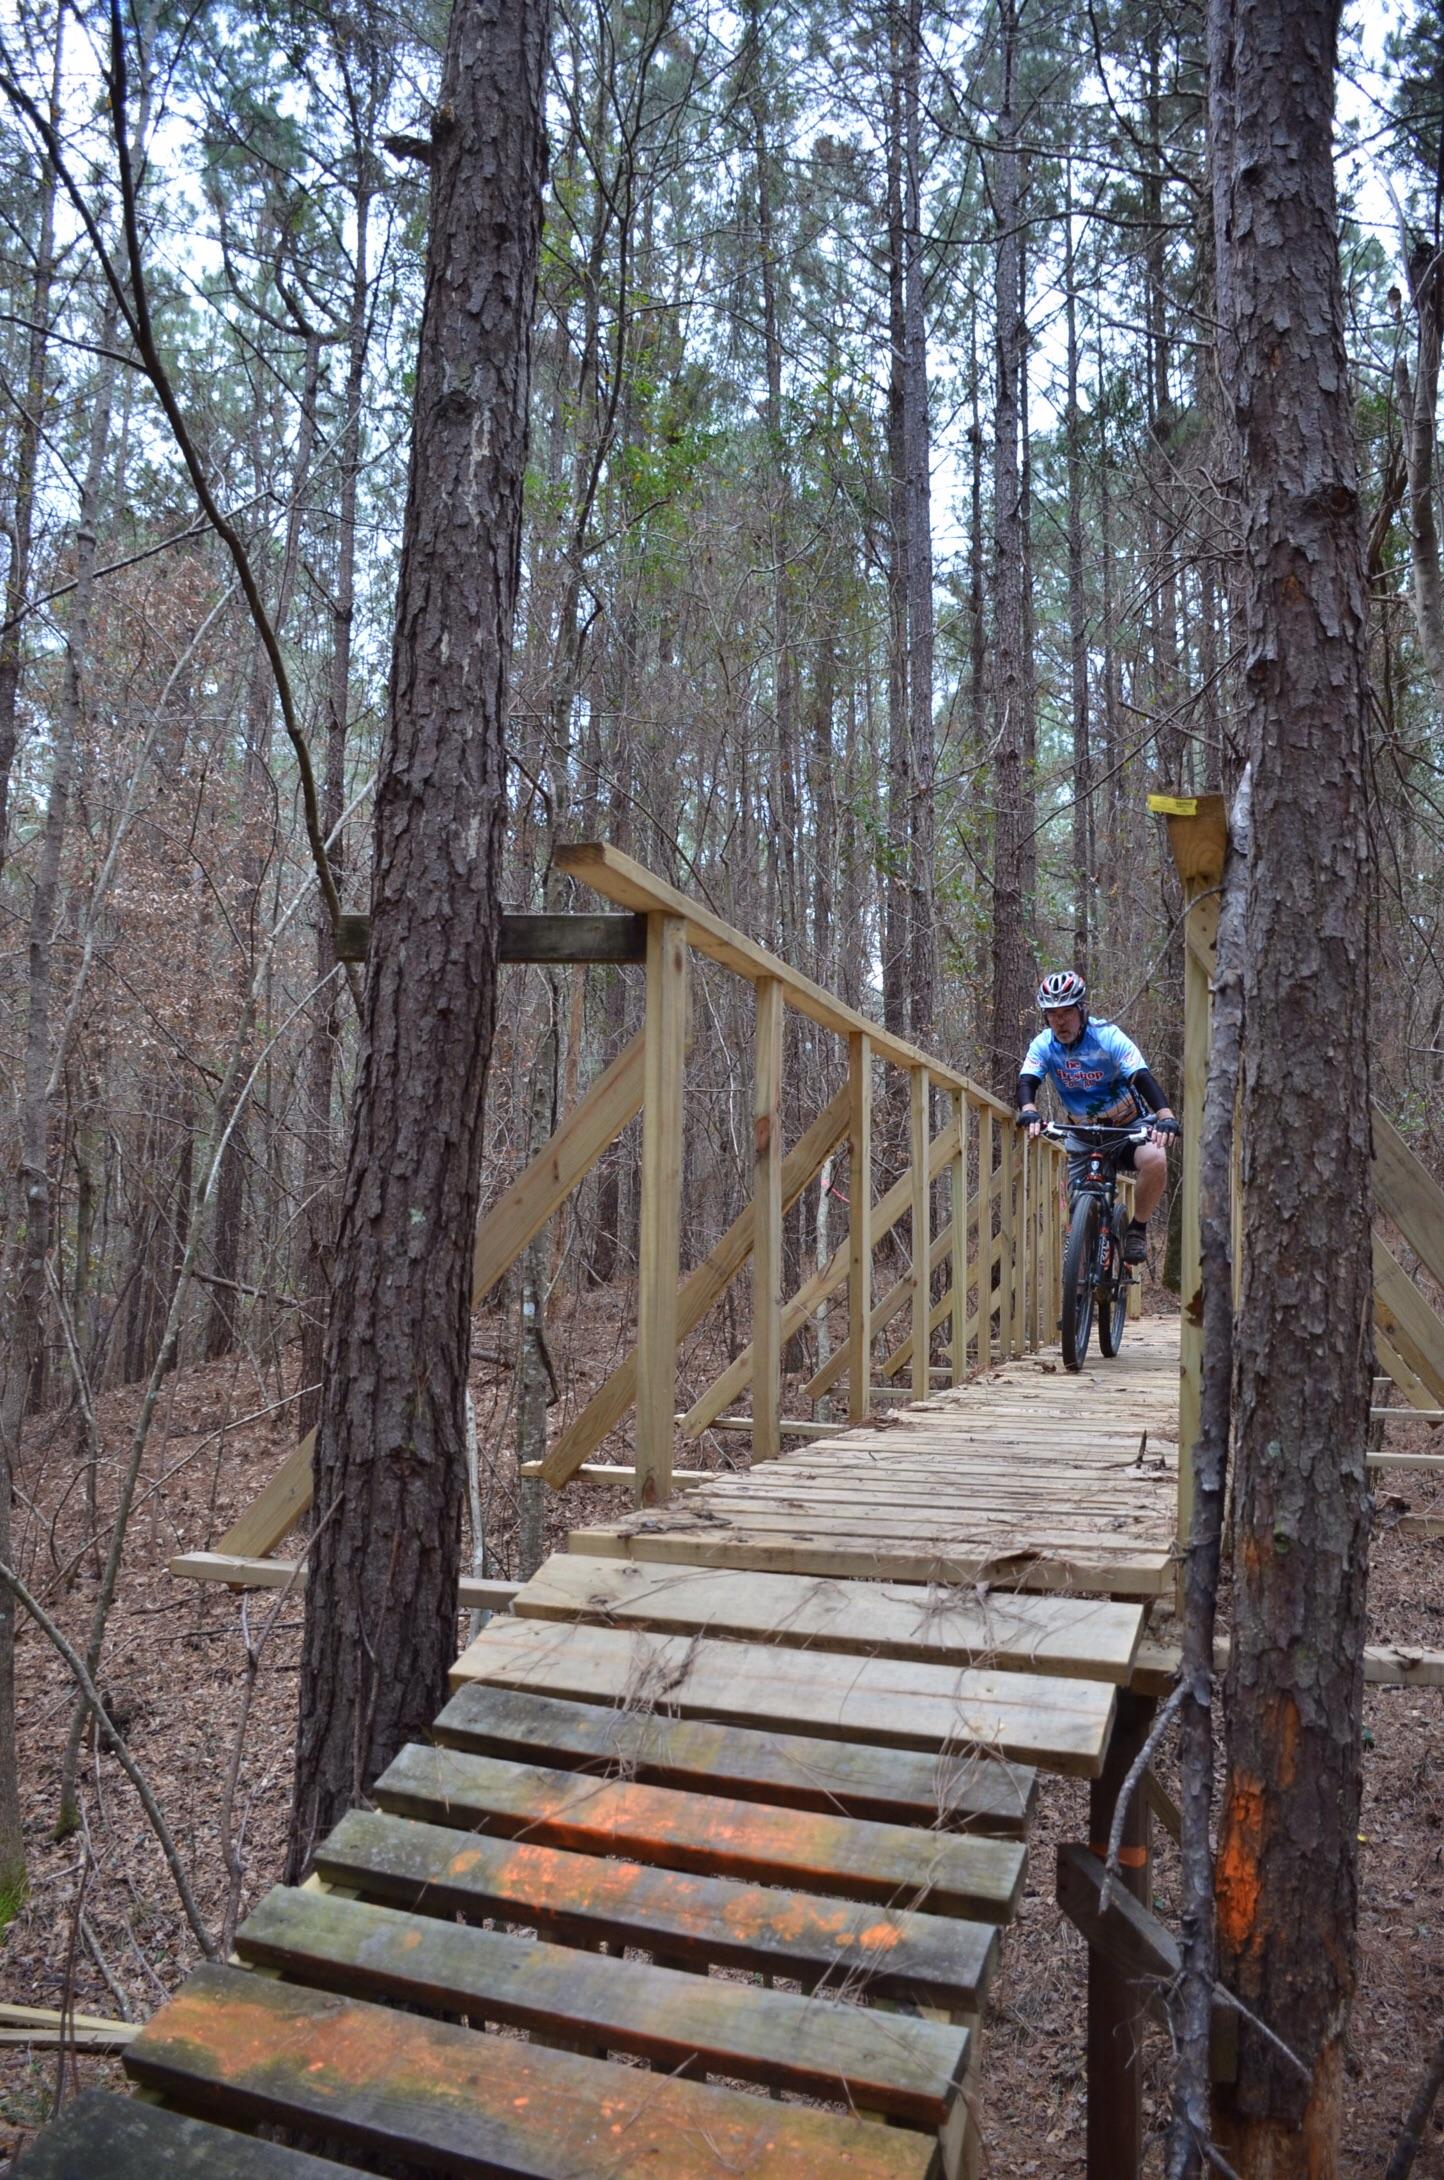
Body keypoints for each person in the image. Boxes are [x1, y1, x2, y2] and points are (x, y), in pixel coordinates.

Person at [1016, 970, 1179, 1265]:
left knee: (1155, 1160)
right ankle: (1078, 1298)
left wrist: (1164, 1115)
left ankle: (1137, 1230)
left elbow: (1141, 1076)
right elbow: (1027, 1080)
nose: (1060, 1021)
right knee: (1077, 1221)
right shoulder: (1043, 1044)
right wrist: (1029, 1111)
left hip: (1127, 1128)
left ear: (1081, 1010)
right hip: (1083, 1133)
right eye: (1052, 1014)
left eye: (1067, 1012)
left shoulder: (1107, 1036)